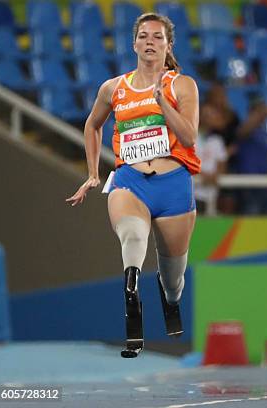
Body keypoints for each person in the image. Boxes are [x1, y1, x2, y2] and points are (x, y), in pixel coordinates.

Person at [66, 13, 200, 357]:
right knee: (133, 238)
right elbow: (92, 126)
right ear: (134, 44)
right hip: (130, 181)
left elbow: (189, 136)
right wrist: (94, 172)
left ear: (168, 45)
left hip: (173, 186)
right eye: (143, 36)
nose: (150, 41)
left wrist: (162, 106)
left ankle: (169, 300)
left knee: (174, 279)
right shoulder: (113, 88)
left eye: (157, 36)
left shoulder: (181, 85)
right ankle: (132, 303)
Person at [195, 104, 228, 214]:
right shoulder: (190, 137)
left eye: (213, 115)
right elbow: (184, 162)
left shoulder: (217, 140)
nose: (212, 118)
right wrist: (201, 174)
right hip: (193, 193)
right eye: (208, 115)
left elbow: (222, 164)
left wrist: (216, 174)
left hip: (212, 194)